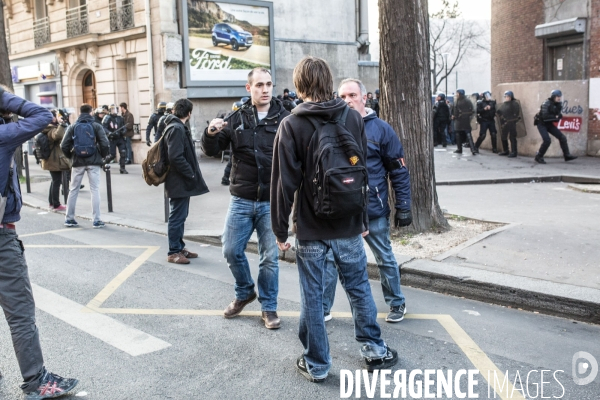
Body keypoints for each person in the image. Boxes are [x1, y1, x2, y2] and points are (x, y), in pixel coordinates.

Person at [271, 56, 398, 382]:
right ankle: (373, 349)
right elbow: (362, 173)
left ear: (299, 85)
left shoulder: (291, 125)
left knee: (313, 296)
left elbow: (284, 183)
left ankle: (317, 364)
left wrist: (280, 228)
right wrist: (363, 216)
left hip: (312, 229)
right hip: (348, 224)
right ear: (329, 82)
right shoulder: (352, 118)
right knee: (358, 288)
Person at [0, 86, 79, 399]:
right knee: (20, 314)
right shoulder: (3, 135)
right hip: (1, 236)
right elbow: (42, 116)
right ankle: (37, 381)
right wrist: (4, 96)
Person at [202, 67, 289, 330]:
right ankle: (244, 292)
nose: (265, 89)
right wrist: (211, 133)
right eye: (259, 85)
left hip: (271, 202)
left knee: (269, 258)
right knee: (230, 249)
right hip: (241, 198)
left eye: (269, 84)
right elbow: (210, 151)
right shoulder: (236, 117)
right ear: (248, 88)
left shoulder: (284, 117)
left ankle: (269, 307)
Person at [323, 78, 412, 323]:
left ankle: (397, 303)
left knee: (384, 257)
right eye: (342, 97)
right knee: (330, 260)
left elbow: (398, 171)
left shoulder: (382, 129)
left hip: (374, 210)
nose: (347, 101)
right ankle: (323, 307)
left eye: (352, 95)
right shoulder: (332, 127)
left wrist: (404, 206)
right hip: (342, 211)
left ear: (365, 97)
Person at [162, 99, 209, 264]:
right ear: (189, 113)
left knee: (181, 215)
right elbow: (175, 156)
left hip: (178, 179)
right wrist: (190, 174)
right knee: (177, 216)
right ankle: (173, 251)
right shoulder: (176, 129)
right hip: (178, 179)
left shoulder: (175, 126)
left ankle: (179, 247)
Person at [61, 104, 110, 228]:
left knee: (73, 190)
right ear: (91, 112)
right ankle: (97, 220)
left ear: (80, 112)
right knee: (95, 189)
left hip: (77, 161)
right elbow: (105, 144)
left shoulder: (73, 126)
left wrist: (71, 155)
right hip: (93, 161)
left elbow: (63, 145)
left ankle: (69, 218)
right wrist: (102, 156)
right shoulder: (96, 126)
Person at [534, 90, 578, 164]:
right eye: (557, 96)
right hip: (541, 123)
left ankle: (567, 155)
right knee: (547, 140)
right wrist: (555, 117)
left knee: (562, 137)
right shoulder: (546, 103)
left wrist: (556, 117)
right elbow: (545, 117)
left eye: (560, 97)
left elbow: (559, 116)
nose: (559, 98)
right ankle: (539, 156)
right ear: (553, 96)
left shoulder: (558, 104)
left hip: (549, 123)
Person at [40, 110, 71, 211]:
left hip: (53, 159)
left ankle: (52, 202)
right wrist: (61, 124)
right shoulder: (50, 128)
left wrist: (63, 123)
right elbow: (57, 136)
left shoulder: (49, 127)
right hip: (53, 159)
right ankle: (56, 204)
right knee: (56, 182)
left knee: (54, 181)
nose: (58, 118)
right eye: (56, 116)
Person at [102, 104, 128, 173]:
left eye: (116, 109)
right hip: (112, 138)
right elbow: (103, 127)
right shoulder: (107, 117)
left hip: (120, 138)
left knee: (123, 152)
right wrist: (109, 133)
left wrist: (124, 131)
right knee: (112, 155)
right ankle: (104, 163)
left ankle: (122, 168)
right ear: (110, 110)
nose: (115, 111)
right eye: (113, 109)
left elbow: (123, 127)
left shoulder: (120, 118)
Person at [452, 89, 477, 155]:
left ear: (460, 93)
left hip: (465, 119)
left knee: (468, 134)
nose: (456, 94)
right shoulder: (456, 101)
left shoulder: (467, 100)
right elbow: (454, 110)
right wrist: (453, 115)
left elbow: (472, 110)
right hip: (458, 120)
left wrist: (467, 116)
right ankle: (459, 149)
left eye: (457, 93)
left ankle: (473, 149)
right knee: (458, 134)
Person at [496, 91, 520, 157]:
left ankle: (514, 152)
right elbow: (500, 111)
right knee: (503, 136)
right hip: (505, 122)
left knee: (512, 137)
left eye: (508, 96)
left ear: (511, 97)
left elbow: (516, 113)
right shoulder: (504, 104)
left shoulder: (515, 104)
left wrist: (511, 118)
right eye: (506, 97)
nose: (507, 98)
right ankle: (506, 150)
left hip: (512, 122)